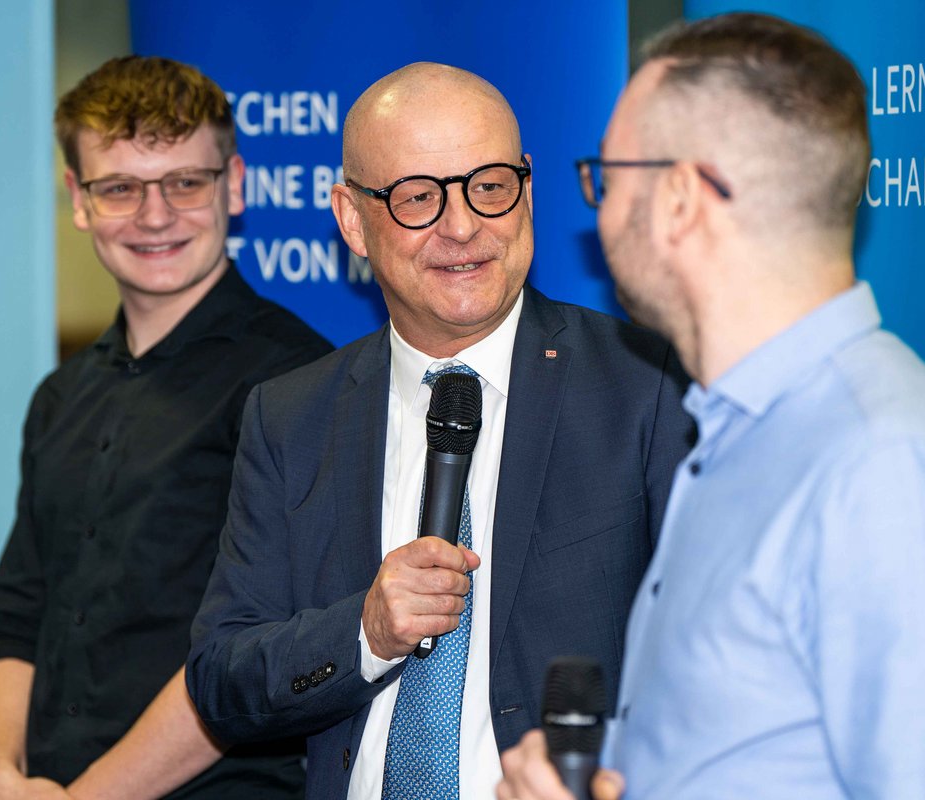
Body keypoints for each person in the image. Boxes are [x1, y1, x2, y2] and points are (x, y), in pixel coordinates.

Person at [497, 12, 925, 800]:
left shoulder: (890, 469)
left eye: (606, 180)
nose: (598, 215)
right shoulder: (735, 434)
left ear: (680, 199)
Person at [185, 62, 695, 799]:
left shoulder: (646, 386)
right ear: (352, 219)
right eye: (418, 198)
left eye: (489, 186)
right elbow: (221, 679)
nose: (462, 227)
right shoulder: (291, 416)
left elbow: (715, 660)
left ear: (527, 186)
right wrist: (363, 633)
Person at [0, 56, 331, 800]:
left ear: (233, 185)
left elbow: (259, 651)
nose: (156, 215)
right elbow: (17, 620)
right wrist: (3, 778)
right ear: (78, 199)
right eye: (121, 188)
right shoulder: (59, 397)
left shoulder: (298, 383)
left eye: (184, 183)